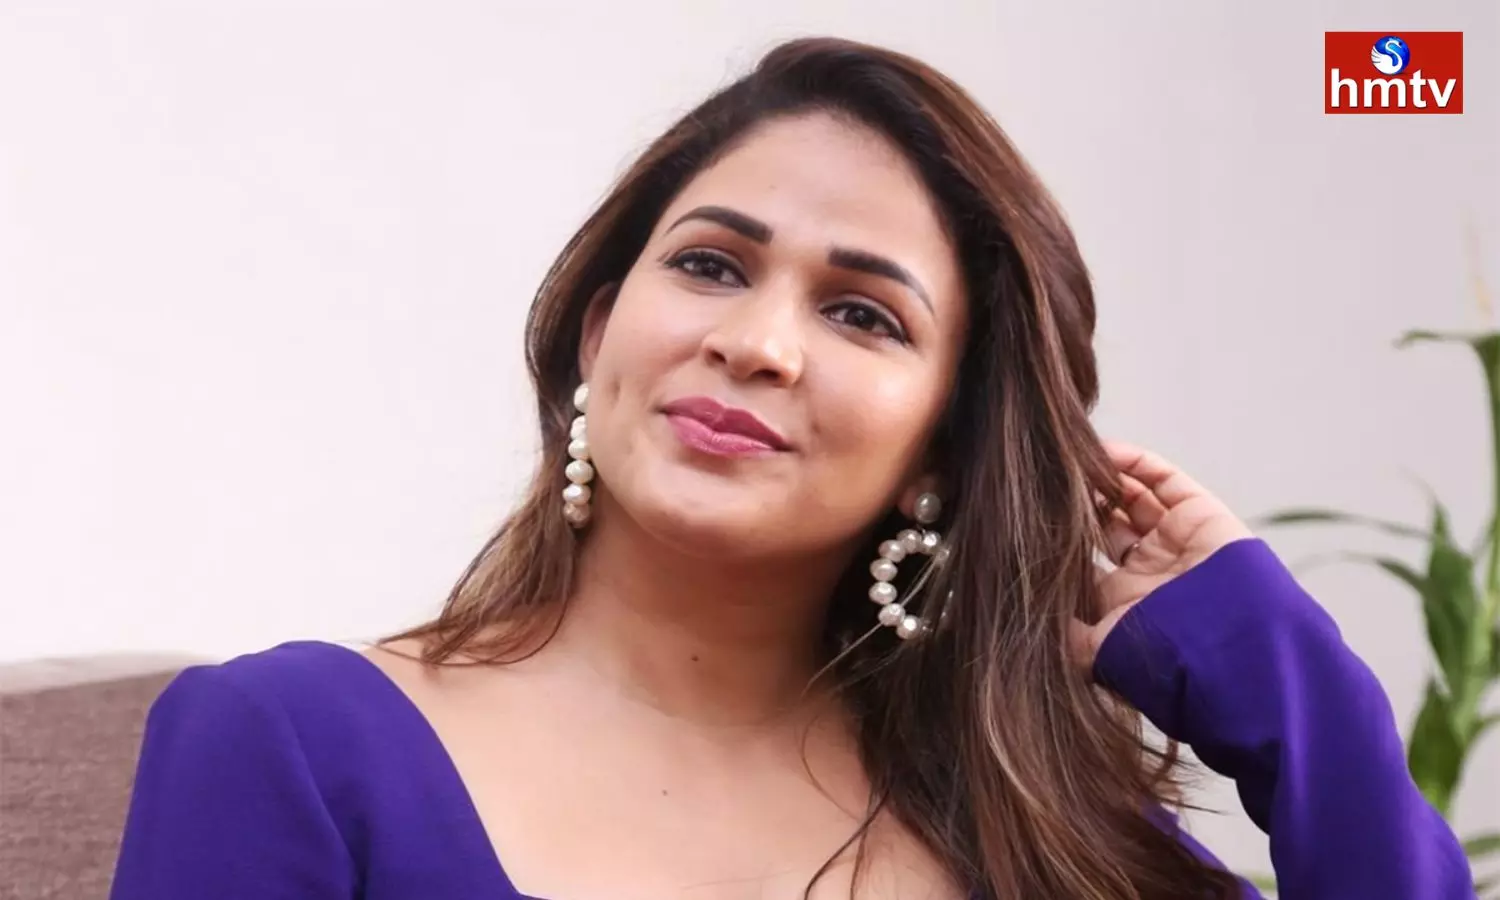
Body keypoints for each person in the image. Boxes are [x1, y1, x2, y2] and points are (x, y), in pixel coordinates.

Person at [108, 36, 1473, 900]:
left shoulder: (1037, 835)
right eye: (711, 264)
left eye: (862, 315)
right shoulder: (288, 744)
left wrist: (1281, 677)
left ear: (945, 448)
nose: (756, 343)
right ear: (600, 332)